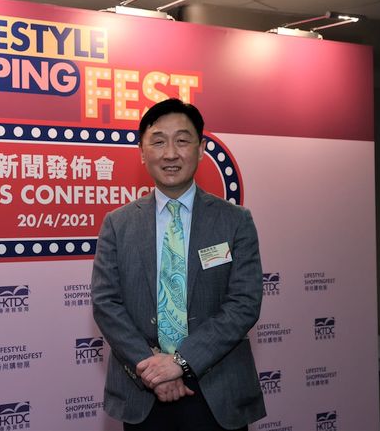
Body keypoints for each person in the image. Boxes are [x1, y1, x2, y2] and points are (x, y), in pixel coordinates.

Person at [91, 98, 266, 431]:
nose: (170, 153)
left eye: (182, 140)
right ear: (142, 153)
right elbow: (105, 303)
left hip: (217, 390)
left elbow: (244, 303)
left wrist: (181, 363)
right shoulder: (117, 224)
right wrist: (152, 368)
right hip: (143, 390)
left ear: (200, 150)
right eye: (158, 142)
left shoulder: (235, 221)